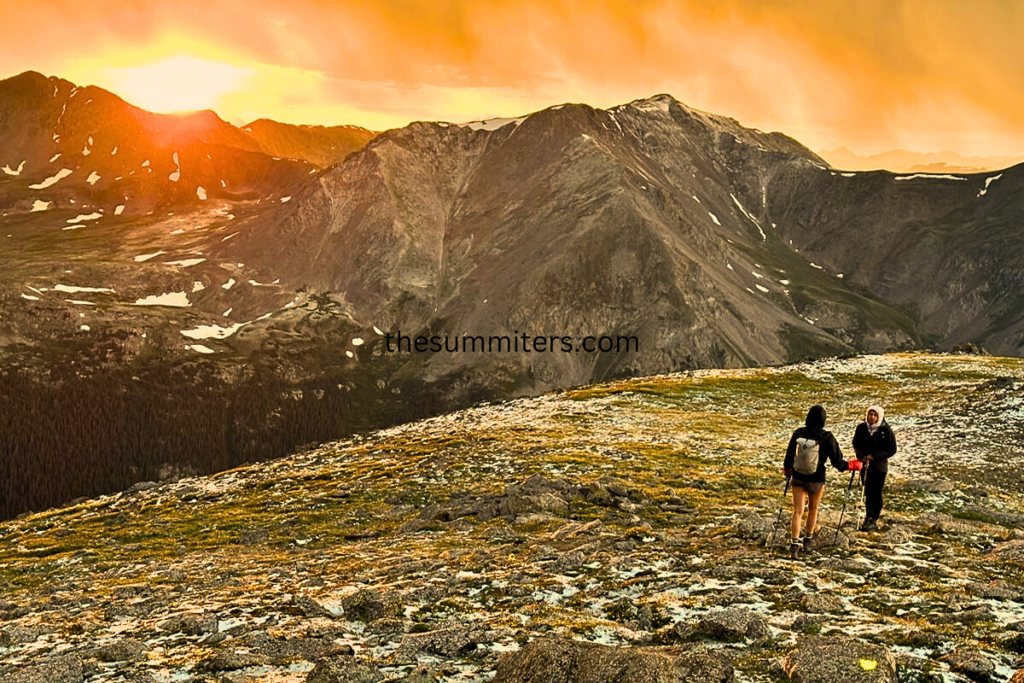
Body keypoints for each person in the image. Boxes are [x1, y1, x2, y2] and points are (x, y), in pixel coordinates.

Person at [783, 405, 862, 559]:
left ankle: (794, 545)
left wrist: (787, 471)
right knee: (813, 508)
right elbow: (838, 463)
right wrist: (852, 465)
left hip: (798, 477)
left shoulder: (799, 432)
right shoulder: (827, 437)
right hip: (816, 479)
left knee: (797, 511)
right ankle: (808, 540)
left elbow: (789, 455)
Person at [852, 405, 897, 531]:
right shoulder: (861, 428)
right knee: (867, 491)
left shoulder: (886, 430)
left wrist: (875, 456)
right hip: (865, 465)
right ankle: (867, 516)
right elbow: (856, 443)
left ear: (879, 416)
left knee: (876, 492)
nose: (872, 417)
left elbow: (892, 449)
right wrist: (860, 455)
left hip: (879, 466)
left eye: (874, 415)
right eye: (870, 414)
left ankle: (874, 519)